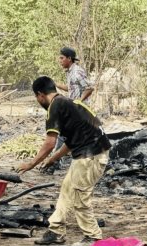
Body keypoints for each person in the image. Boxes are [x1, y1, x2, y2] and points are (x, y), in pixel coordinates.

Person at [17, 76, 111, 245]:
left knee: (80, 198)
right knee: (67, 190)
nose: (38, 101)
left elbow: (50, 142)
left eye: (37, 98)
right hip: (90, 153)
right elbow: (70, 142)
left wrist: (31, 164)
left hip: (90, 156)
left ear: (40, 95)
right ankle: (56, 230)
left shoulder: (55, 106)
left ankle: (93, 237)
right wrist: (52, 159)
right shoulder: (67, 103)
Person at [40, 47, 94, 175]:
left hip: (79, 111)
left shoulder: (78, 72)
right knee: (65, 136)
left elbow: (90, 88)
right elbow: (70, 89)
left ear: (69, 58)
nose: (60, 60)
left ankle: (53, 164)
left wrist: (79, 101)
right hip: (72, 110)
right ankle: (55, 164)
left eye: (62, 58)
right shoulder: (70, 72)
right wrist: (56, 84)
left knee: (64, 136)